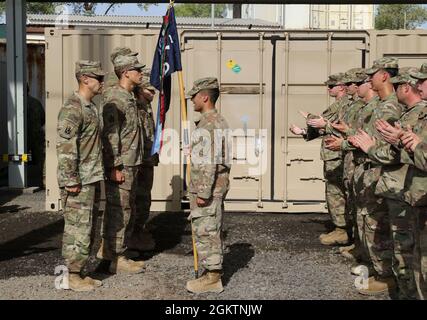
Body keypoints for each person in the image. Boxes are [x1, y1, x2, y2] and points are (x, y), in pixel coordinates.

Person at [348, 57, 403, 295]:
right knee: (369, 221)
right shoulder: (381, 104)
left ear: (385, 76)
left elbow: (384, 147)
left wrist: (368, 148)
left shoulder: (391, 106)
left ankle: (385, 276)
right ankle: (377, 267)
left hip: (380, 172)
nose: (369, 79)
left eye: (373, 74)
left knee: (378, 224)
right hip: (370, 170)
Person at [56, 60, 106, 291]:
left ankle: (80, 271)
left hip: (91, 176)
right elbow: (66, 147)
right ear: (85, 79)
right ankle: (71, 276)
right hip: (79, 180)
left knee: (87, 227)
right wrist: (71, 179)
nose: (102, 82)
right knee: (76, 229)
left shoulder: (91, 107)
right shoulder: (73, 108)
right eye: (99, 78)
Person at [98, 52, 146, 274]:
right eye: (137, 70)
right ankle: (116, 258)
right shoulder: (116, 98)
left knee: (127, 208)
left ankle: (114, 251)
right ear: (126, 73)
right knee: (120, 211)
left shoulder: (129, 97)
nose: (141, 73)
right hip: (122, 164)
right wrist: (114, 166)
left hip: (132, 162)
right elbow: (110, 135)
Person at [290, 72, 351, 246]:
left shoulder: (344, 105)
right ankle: (342, 229)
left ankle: (342, 230)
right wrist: (303, 132)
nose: (328, 89)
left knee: (336, 192)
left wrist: (310, 118)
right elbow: (324, 128)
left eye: (331, 86)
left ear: (342, 87)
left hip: (337, 155)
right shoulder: (340, 104)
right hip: (334, 154)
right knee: (335, 191)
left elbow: (327, 124)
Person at [185, 77, 231, 294]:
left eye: (194, 96)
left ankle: (213, 278)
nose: (191, 100)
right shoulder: (214, 121)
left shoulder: (209, 124)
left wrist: (203, 192)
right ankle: (210, 272)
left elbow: (210, 161)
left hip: (208, 188)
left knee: (207, 229)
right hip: (214, 185)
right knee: (209, 227)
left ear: (204, 97)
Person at [127, 69, 158, 253]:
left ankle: (139, 231)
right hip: (138, 161)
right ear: (140, 89)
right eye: (150, 90)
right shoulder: (135, 107)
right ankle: (132, 236)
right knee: (136, 200)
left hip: (147, 160)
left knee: (144, 198)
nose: (153, 94)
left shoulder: (146, 106)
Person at [27, 84, 45, 188]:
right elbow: (43, 118)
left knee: (21, 159)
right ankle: (41, 181)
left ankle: (25, 180)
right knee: (40, 160)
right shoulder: (36, 102)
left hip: (24, 136)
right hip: (37, 134)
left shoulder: (19, 102)